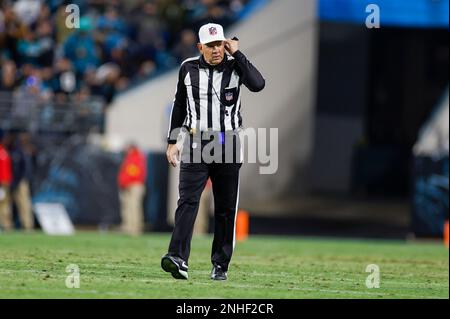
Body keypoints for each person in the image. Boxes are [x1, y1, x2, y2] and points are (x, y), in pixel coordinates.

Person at [161, 23, 265, 280]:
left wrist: (238, 53)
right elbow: (180, 106)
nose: (217, 49)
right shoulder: (188, 68)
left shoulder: (235, 66)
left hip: (227, 141)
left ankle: (220, 264)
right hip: (197, 142)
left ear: (225, 43)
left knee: (225, 207)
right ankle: (177, 257)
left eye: (219, 43)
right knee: (187, 201)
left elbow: (258, 84)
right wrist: (173, 141)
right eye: (211, 45)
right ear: (200, 47)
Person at [118, 143, 147, 236]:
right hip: (128, 185)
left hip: (134, 185)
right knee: (128, 207)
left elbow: (134, 171)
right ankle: (128, 227)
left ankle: (135, 228)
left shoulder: (136, 157)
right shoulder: (130, 157)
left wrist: (128, 182)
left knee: (134, 207)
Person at [0, 128, 13, 231]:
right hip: (1, 182)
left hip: (5, 182)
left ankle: (6, 225)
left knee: (5, 204)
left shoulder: (4, 151)